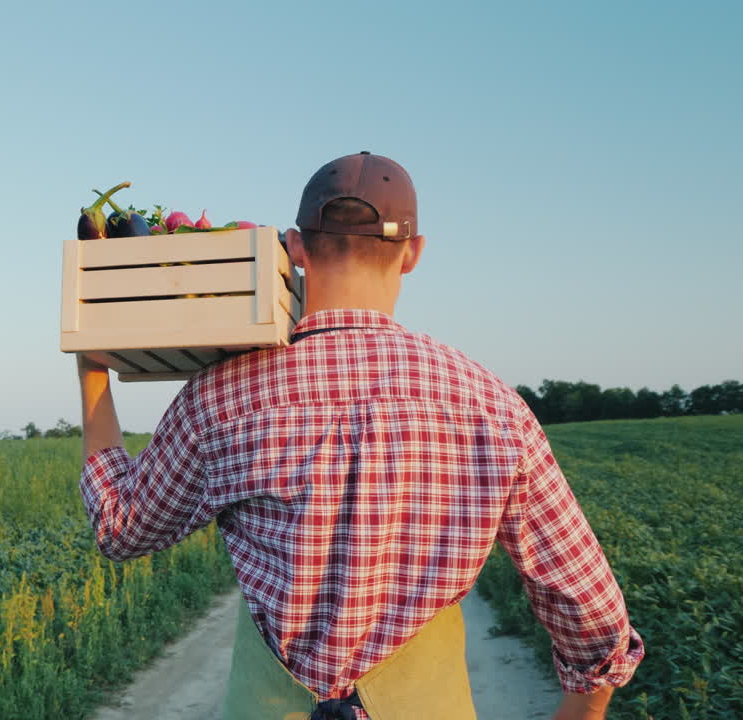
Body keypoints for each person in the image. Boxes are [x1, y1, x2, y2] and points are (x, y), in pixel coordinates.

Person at [74, 152, 644, 720]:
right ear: (414, 253)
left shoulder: (221, 395)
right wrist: (584, 712)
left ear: (295, 247)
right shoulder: (490, 405)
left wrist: (93, 371)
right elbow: (591, 610)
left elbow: (120, 527)